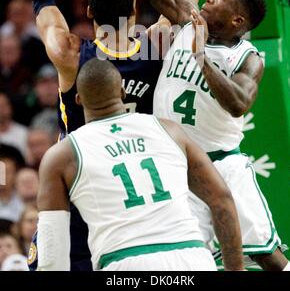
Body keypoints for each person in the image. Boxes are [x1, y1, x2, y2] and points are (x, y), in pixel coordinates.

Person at [77, 0, 290, 271]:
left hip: (222, 166)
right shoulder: (186, 18)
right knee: (189, 262)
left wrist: (200, 57)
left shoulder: (247, 57)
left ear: (237, 19)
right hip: (177, 168)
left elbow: (239, 103)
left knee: (267, 256)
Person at [29, 0, 200, 270]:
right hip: (137, 199)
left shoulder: (71, 53)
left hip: (76, 187)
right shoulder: (158, 44)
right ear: (136, 10)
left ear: (88, 13)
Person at [36, 58, 244, 271]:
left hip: (125, 262)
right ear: (123, 92)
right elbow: (222, 199)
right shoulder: (169, 130)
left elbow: (52, 244)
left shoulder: (61, 155)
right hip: (191, 257)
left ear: (79, 100)